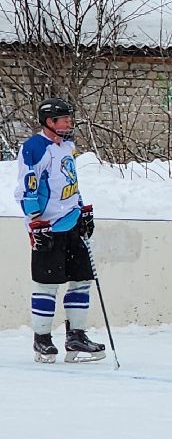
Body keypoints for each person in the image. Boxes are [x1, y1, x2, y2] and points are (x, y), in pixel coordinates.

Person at [14, 98, 105, 363]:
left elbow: (71, 182)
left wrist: (82, 209)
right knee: (47, 284)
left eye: (69, 118)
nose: (69, 123)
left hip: (72, 221)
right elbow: (27, 186)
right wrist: (35, 221)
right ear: (49, 122)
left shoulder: (67, 147)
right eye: (64, 119)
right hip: (48, 226)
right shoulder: (34, 147)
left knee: (82, 280)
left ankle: (76, 336)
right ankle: (42, 340)